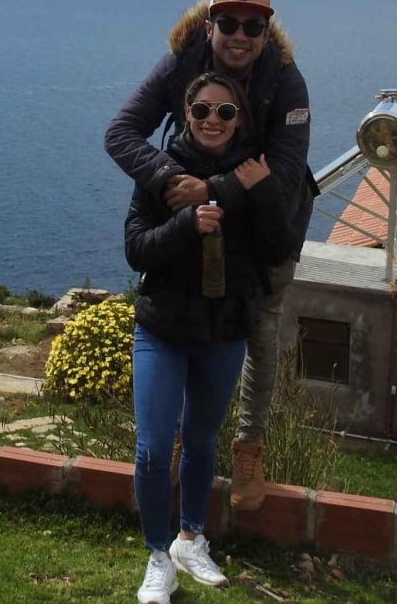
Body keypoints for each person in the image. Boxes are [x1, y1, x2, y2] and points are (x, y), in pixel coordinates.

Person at [106, 0, 315, 512]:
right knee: (178, 310)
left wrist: (213, 189)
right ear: (209, 26)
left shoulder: (286, 81)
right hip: (193, 213)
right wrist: (168, 179)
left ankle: (249, 445)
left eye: (252, 26)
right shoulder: (181, 62)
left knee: (259, 328)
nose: (239, 36)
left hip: (267, 224)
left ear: (266, 32)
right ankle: (175, 439)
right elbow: (122, 132)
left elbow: (287, 172)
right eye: (228, 24)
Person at [126, 72, 292, 604]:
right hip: (162, 328)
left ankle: (190, 540)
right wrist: (185, 225)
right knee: (153, 449)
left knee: (200, 441)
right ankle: (158, 557)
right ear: (186, 114)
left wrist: (261, 190)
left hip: (223, 333)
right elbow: (135, 249)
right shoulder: (161, 171)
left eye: (225, 112)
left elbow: (279, 248)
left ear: (240, 118)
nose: (212, 121)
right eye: (201, 110)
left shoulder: (253, 173)